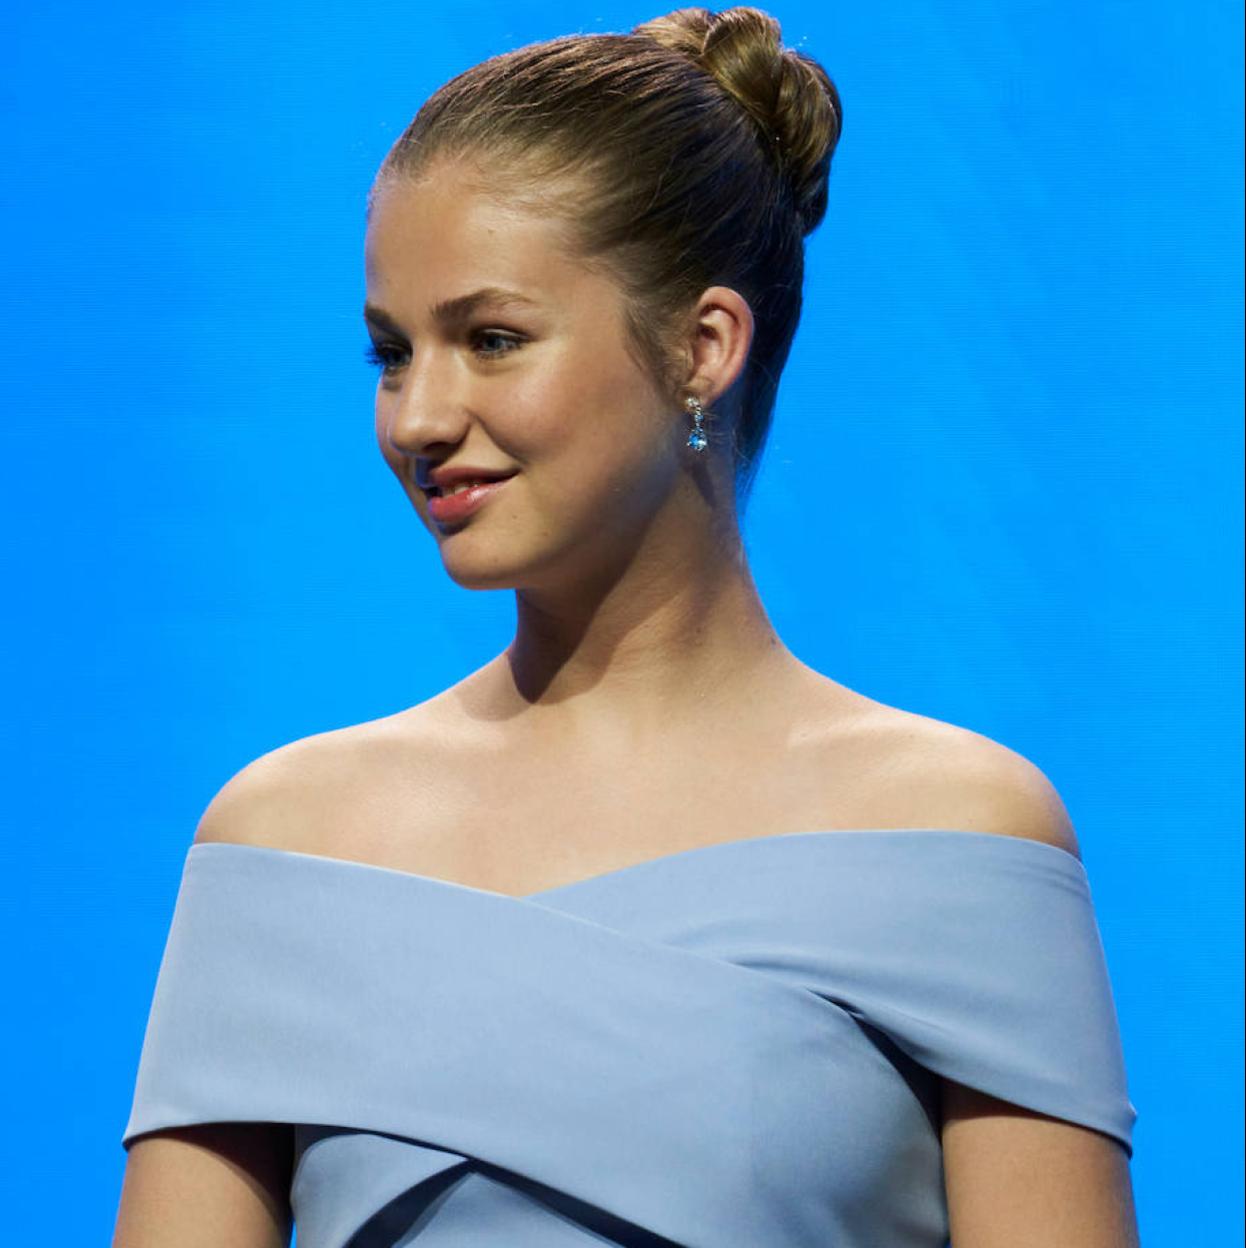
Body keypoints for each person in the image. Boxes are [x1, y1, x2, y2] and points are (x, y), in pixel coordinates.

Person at [112, 7, 1139, 1246]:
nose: (417, 418)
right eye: (392, 353)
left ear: (704, 346)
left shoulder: (958, 833)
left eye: (491, 340)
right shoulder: (283, 840)